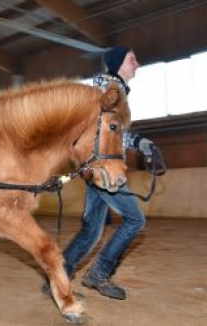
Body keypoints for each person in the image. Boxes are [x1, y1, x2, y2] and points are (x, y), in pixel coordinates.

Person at [42, 46, 153, 300]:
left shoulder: (117, 91)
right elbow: (97, 125)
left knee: (91, 231)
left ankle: (57, 280)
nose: (137, 64)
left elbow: (115, 133)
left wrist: (140, 143)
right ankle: (99, 273)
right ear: (117, 63)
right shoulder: (108, 87)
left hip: (99, 167)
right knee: (135, 220)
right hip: (104, 169)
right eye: (132, 59)